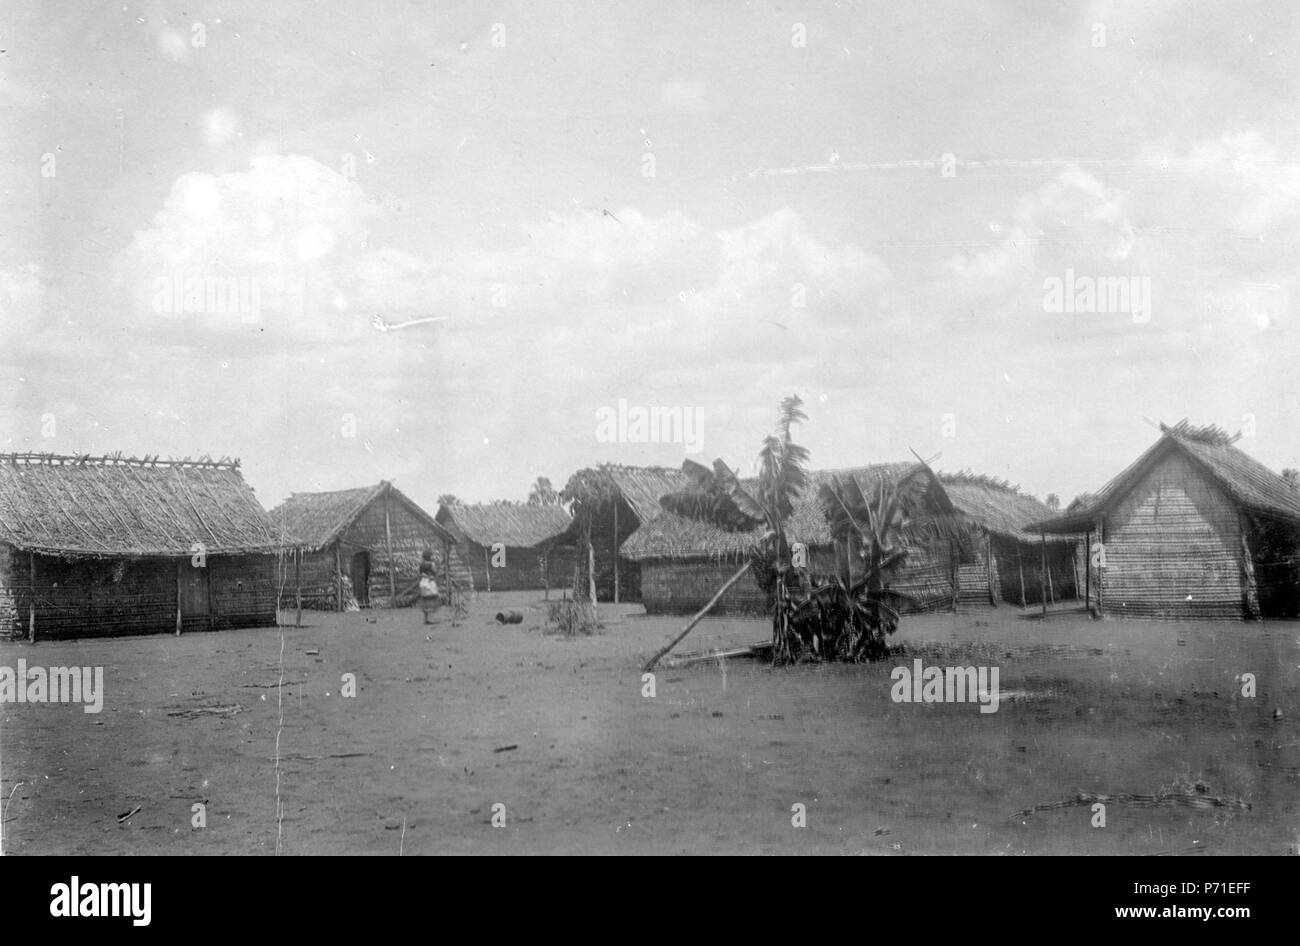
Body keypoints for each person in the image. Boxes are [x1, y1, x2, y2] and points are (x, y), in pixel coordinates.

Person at [418, 550, 442, 624]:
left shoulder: (421, 564)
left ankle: (426, 619)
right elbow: (435, 573)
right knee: (432, 599)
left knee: (425, 600)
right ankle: (431, 619)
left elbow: (420, 574)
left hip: (423, 583)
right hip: (430, 583)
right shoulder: (432, 564)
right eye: (431, 555)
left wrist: (424, 575)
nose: (433, 556)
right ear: (429, 556)